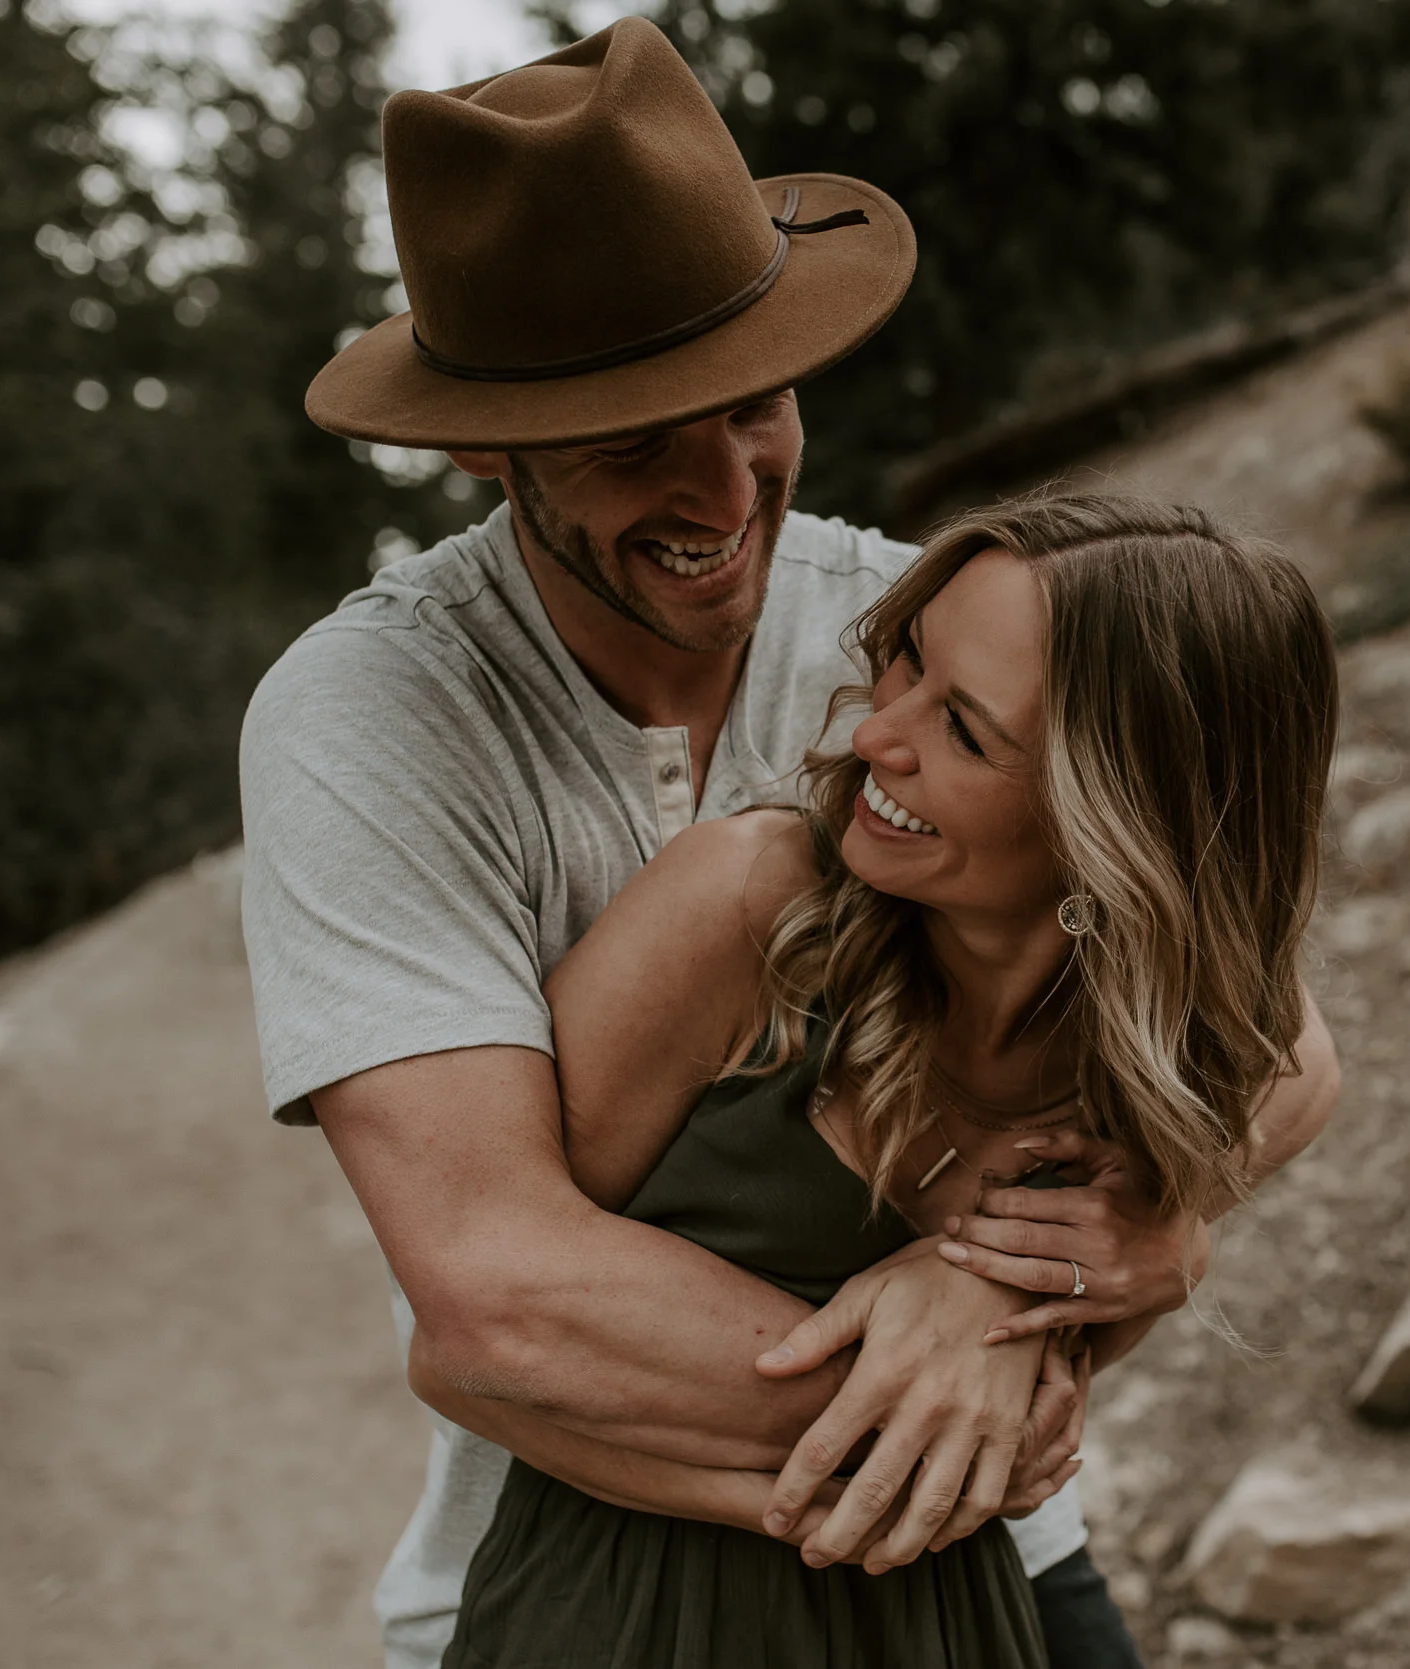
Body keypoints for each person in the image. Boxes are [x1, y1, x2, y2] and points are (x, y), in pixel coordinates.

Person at [235, 19, 1340, 1669]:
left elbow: (1279, 1036)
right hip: (609, 1569)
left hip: (992, 1544)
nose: (722, 486)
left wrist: (1106, 1243)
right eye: (631, 436)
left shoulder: (928, 628)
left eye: (748, 402)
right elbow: (492, 1294)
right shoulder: (372, 715)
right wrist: (997, 1365)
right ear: (482, 443)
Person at [418, 492, 1342, 1665]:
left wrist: (1156, 1233)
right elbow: (462, 1352)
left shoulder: (1159, 1038)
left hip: (953, 1620)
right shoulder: (747, 905)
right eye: (901, 663)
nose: (873, 736)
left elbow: (1305, 1066)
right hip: (629, 1620)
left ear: (1121, 819)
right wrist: (897, 1427)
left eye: (963, 729)